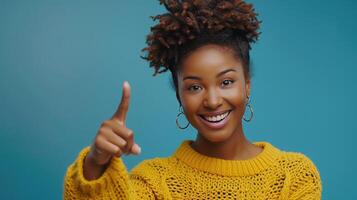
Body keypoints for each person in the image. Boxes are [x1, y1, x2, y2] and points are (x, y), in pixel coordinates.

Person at [63, 0, 322, 199]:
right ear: (179, 95)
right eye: (195, 87)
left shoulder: (293, 176)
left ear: (248, 85)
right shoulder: (154, 183)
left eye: (226, 82)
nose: (212, 100)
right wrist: (95, 164)